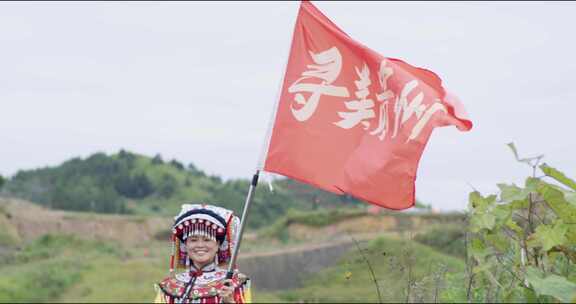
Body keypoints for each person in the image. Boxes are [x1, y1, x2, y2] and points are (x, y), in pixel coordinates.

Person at [154, 204, 251, 303]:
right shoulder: (169, 287)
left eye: (207, 240)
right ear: (185, 245)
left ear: (218, 245)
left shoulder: (233, 284)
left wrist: (230, 302)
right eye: (193, 240)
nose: (200, 245)